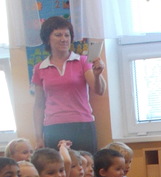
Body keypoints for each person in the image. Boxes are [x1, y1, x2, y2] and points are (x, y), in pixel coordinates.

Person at [31, 16, 106, 153]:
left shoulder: (82, 61)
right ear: (47, 39)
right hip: (53, 127)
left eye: (67, 35)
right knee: (59, 166)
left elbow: (99, 90)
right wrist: (38, 137)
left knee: (87, 164)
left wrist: (97, 74)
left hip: (82, 124)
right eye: (58, 35)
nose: (64, 39)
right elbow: (39, 105)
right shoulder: (39, 68)